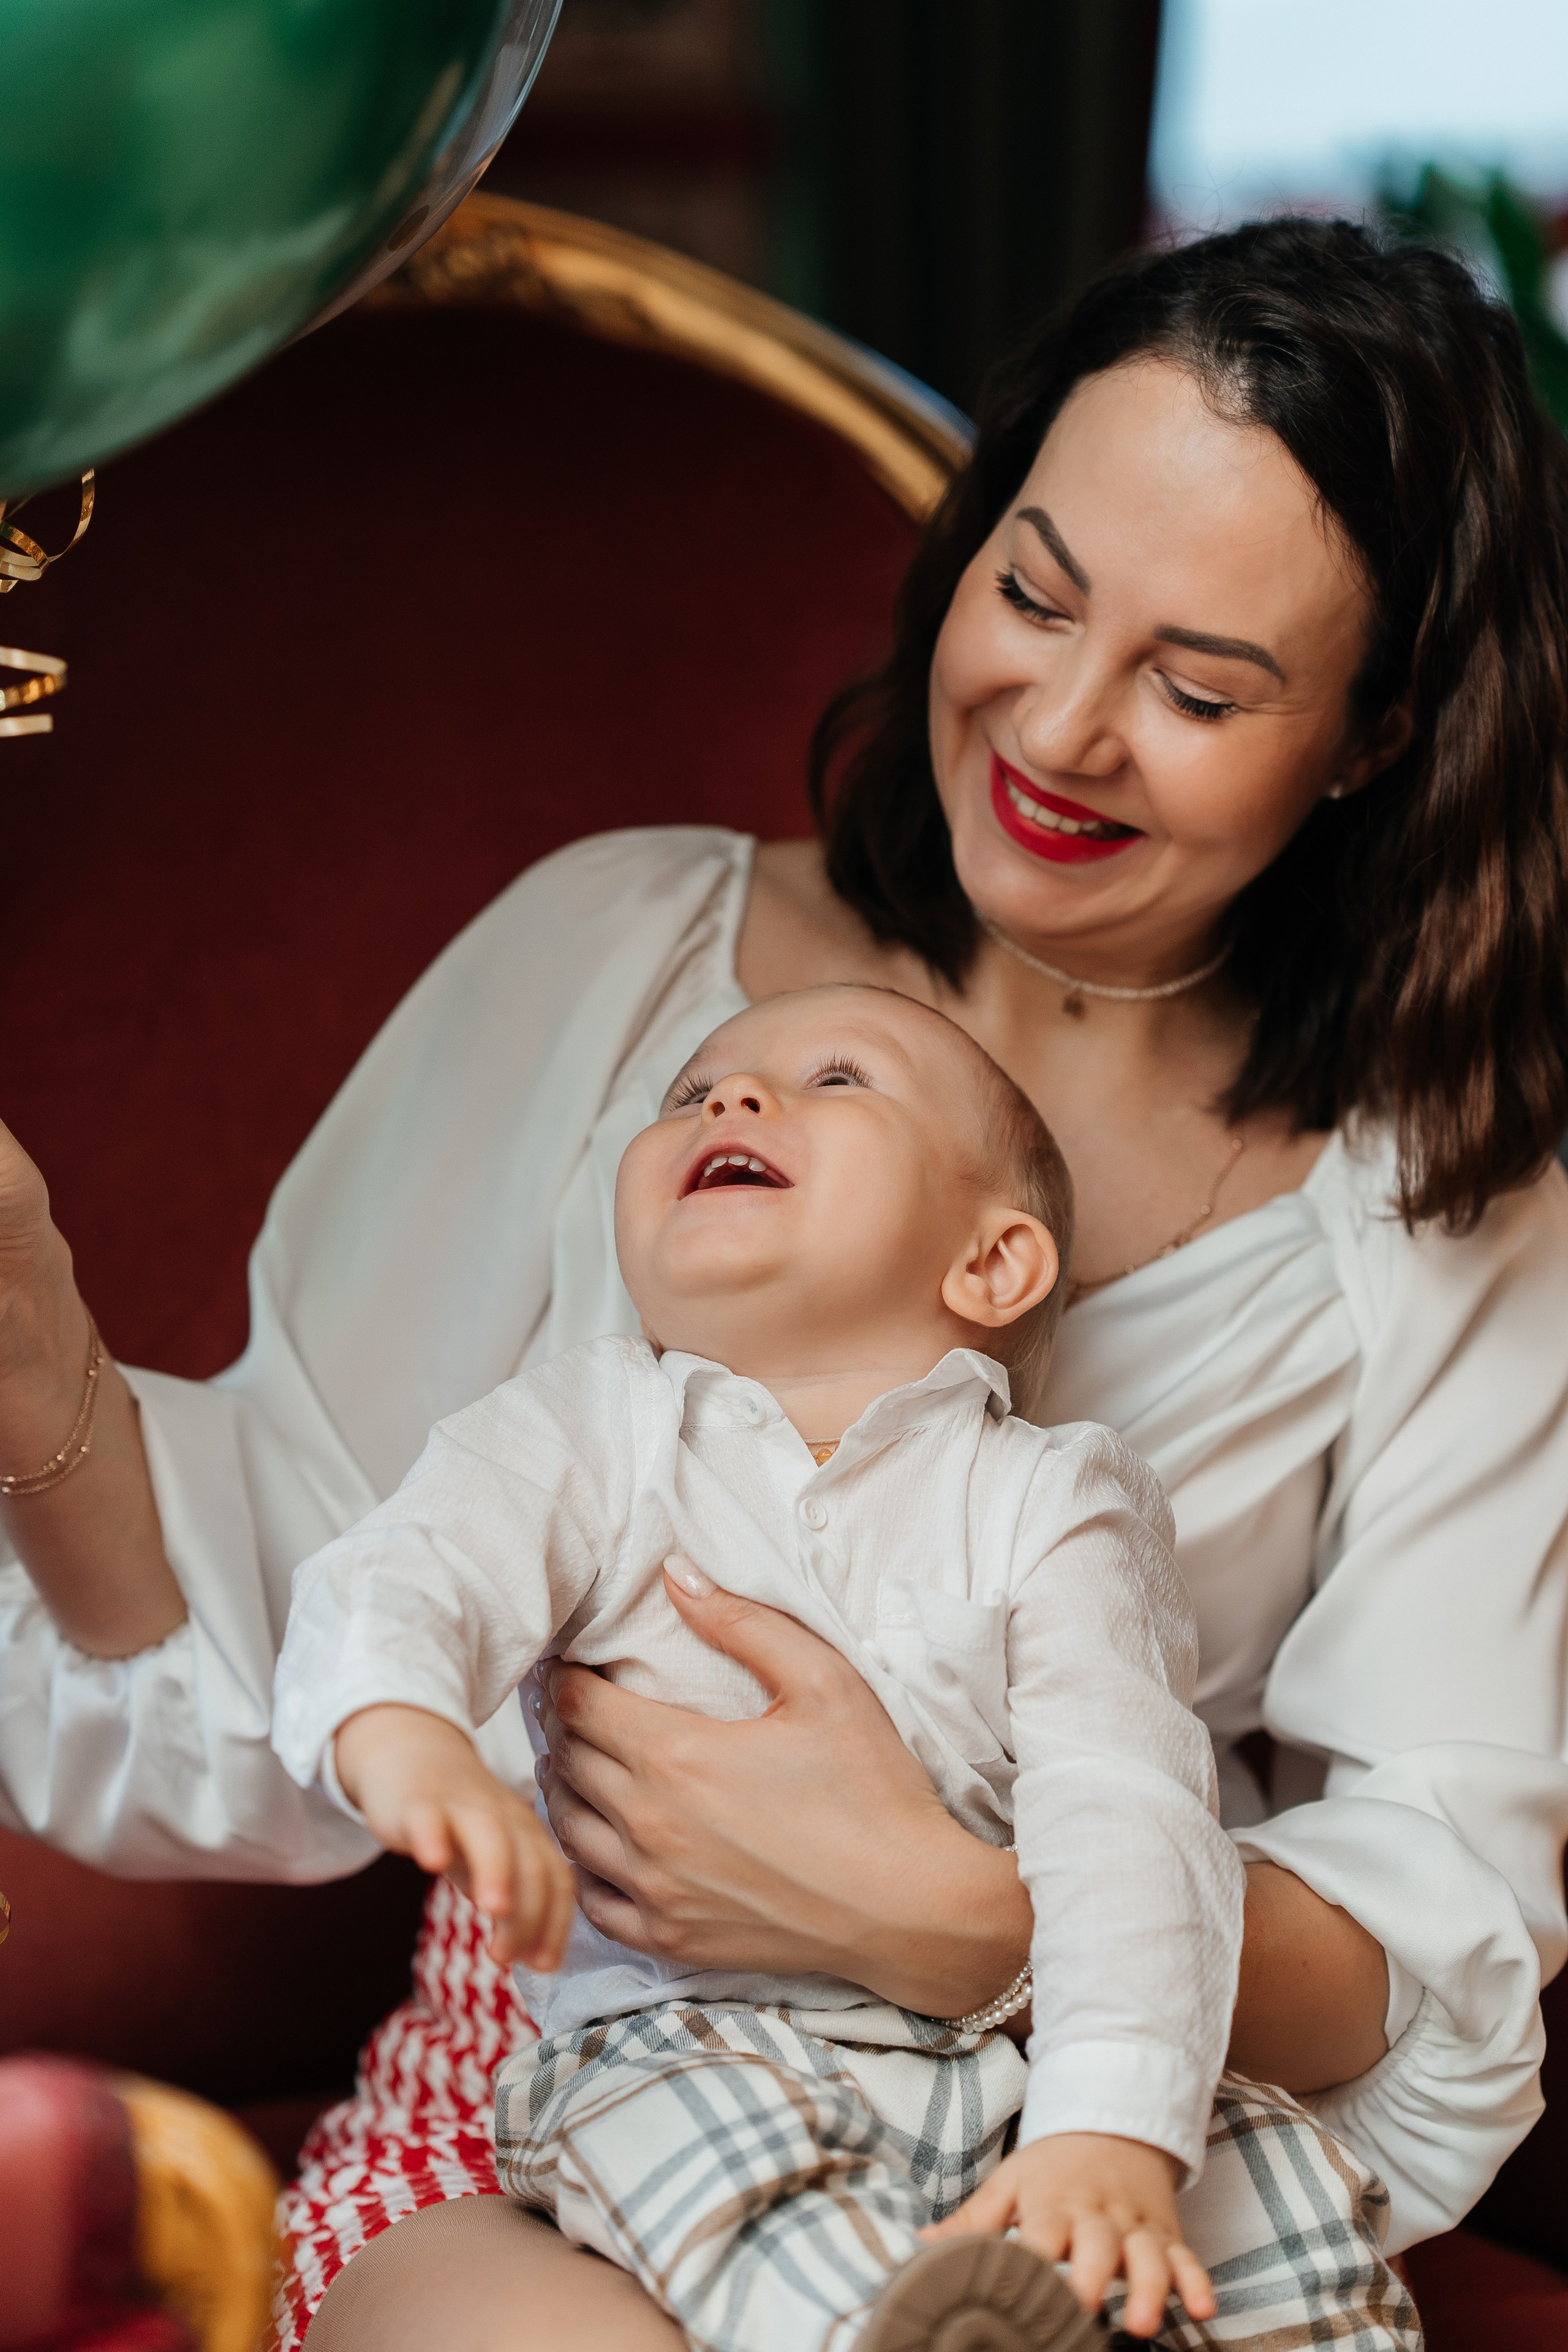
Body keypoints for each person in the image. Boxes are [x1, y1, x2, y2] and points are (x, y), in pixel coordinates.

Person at [0, 215, 1566, 2352]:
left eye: (1200, 688)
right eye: (1032, 591)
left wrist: (973, 1928)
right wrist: (34, 1364)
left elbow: (1440, 1909)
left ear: (1374, 740)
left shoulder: (1441, 1196)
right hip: (572, 2118)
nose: (1066, 726)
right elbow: (312, 1611)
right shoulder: (631, 970)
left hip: (1084, 2127)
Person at [273, 983, 1249, 2351]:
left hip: (1004, 2058)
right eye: (691, 1092)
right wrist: (400, 1726)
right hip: (673, 2046)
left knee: (1271, 2192)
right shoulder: (599, 1429)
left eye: (835, 1078)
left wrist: (1109, 2129)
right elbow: (411, 1567)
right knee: (717, 2157)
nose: (729, 1100)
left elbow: (1132, 1817)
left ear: (990, 1264)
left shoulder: (1054, 1505)